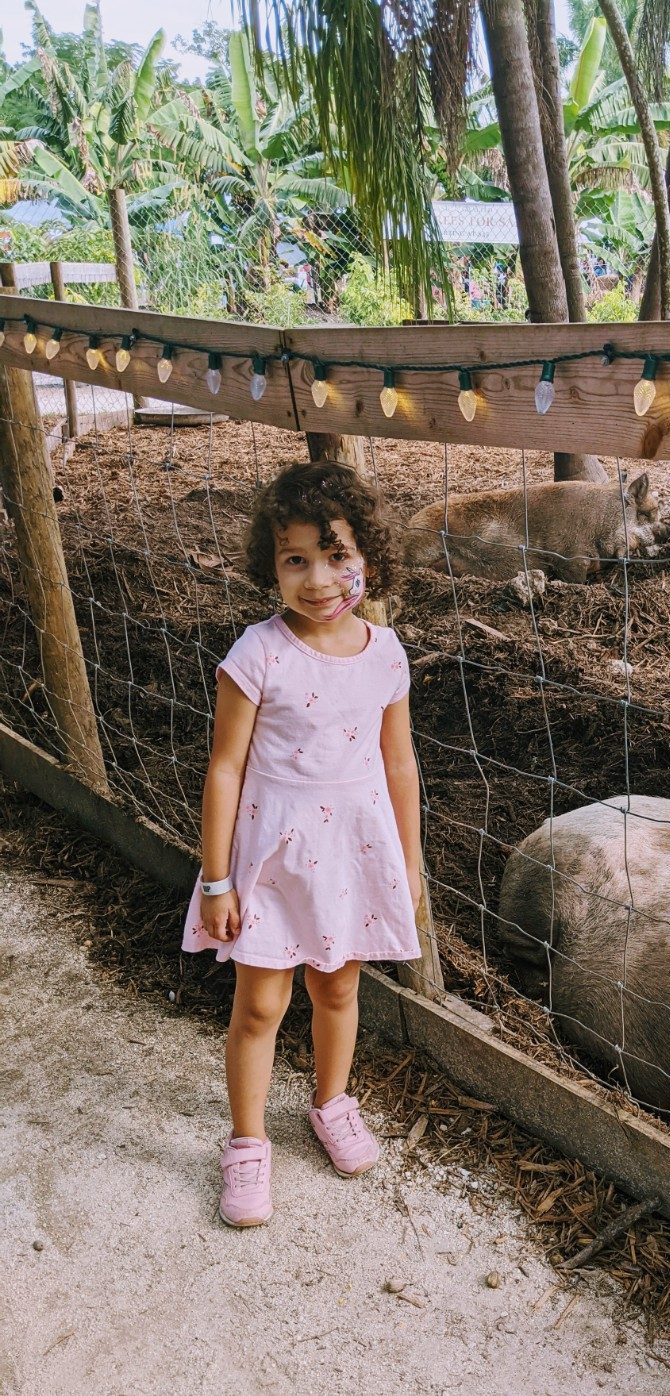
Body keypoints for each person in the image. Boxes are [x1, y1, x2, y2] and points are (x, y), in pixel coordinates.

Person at [182, 459, 420, 1227]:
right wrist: (216, 880)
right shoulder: (258, 654)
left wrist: (409, 863)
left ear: (368, 559)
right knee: (260, 1004)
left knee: (339, 987)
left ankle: (331, 1102)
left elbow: (399, 763)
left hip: (349, 854)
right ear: (272, 565)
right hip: (272, 859)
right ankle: (248, 1143)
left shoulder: (386, 653)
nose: (318, 578)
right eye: (296, 559)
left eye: (337, 555)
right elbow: (224, 770)